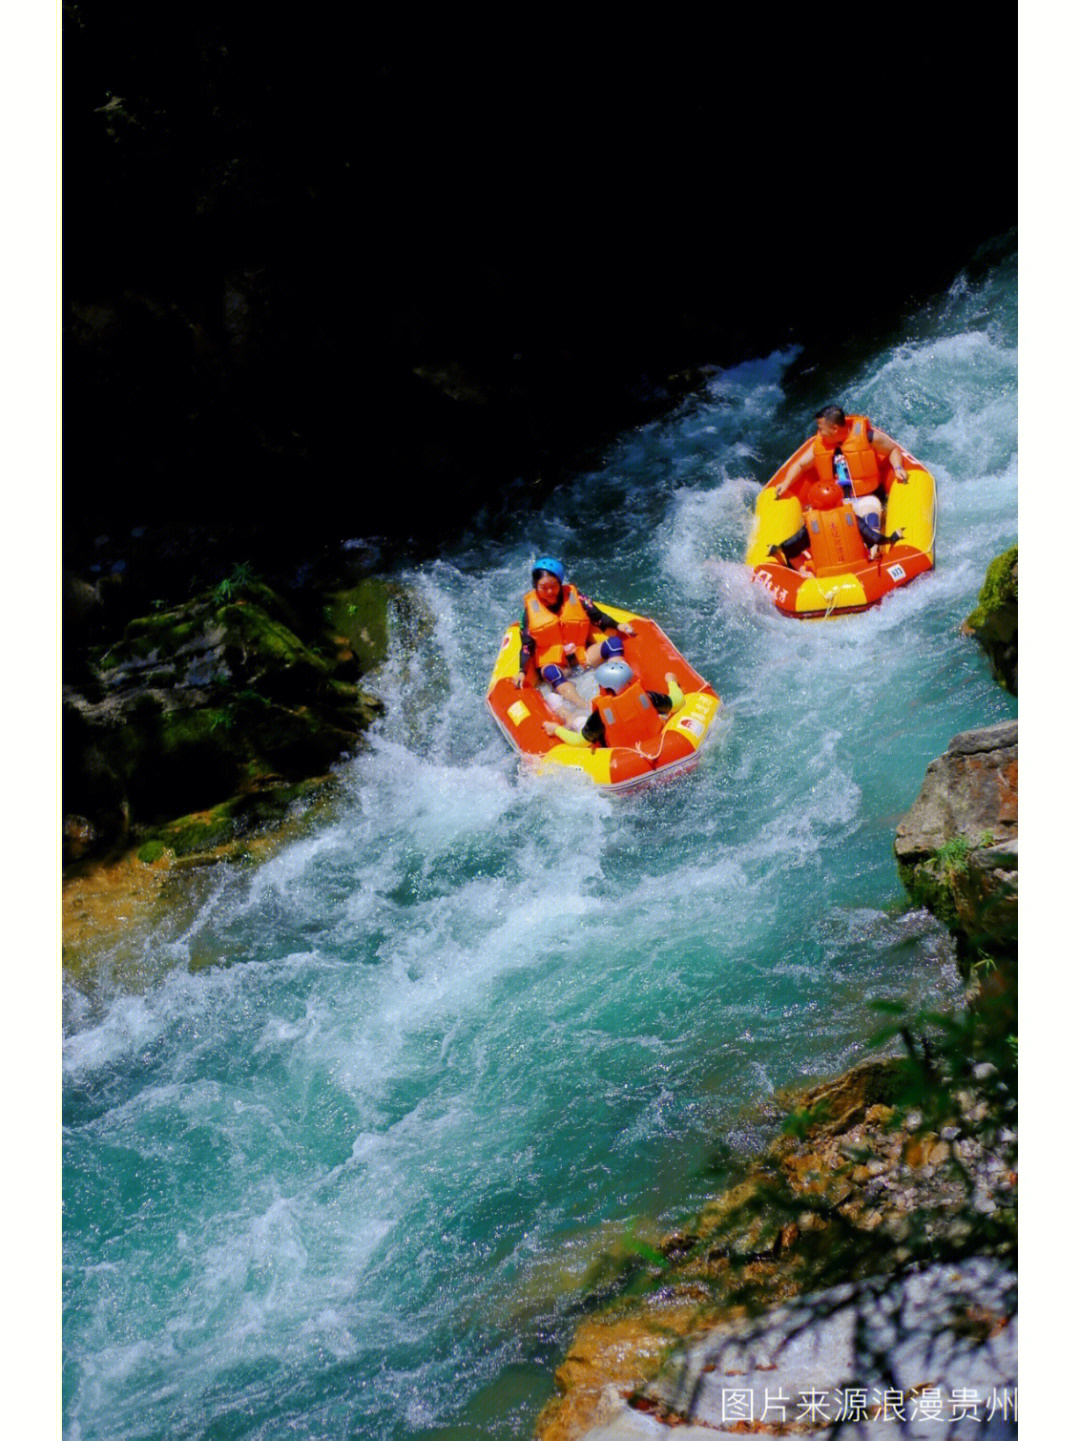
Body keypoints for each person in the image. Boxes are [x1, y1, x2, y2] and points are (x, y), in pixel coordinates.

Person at [514, 557, 635, 709]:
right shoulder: (528, 614)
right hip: (556, 665)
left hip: (581, 656)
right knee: (552, 672)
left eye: (554, 585)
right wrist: (521, 671)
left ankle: (620, 688)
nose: (550, 591)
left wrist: (618, 625)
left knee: (614, 644)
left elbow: (598, 617)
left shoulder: (576, 598)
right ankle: (586, 707)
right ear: (535, 586)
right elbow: (527, 646)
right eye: (544, 587)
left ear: (560, 583)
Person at [774, 404, 909, 529]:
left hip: (867, 498)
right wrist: (786, 483)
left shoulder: (867, 437)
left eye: (821, 428)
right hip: (835, 502)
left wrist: (898, 468)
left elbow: (892, 450)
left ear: (834, 429)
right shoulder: (820, 445)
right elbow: (800, 465)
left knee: (871, 527)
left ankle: (875, 549)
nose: (819, 432)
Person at [542, 659, 684, 750]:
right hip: (655, 744)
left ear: (608, 689)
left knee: (579, 720)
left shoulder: (600, 717)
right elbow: (678, 702)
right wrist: (671, 681)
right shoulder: (648, 698)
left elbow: (579, 742)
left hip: (619, 759)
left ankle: (564, 712)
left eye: (601, 687)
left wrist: (556, 730)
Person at [768, 477, 903, 570]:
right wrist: (892, 538)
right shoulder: (852, 518)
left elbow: (790, 546)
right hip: (860, 569)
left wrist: (776, 549)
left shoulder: (811, 525)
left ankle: (806, 576)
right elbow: (874, 538)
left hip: (825, 576)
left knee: (792, 554)